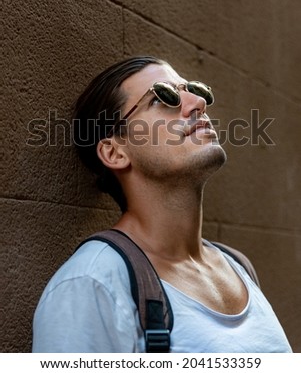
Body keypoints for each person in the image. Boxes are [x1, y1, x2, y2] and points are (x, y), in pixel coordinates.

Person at [32, 55, 292, 352]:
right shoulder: (91, 284)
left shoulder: (238, 268)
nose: (197, 103)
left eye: (193, 89)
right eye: (163, 97)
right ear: (115, 153)